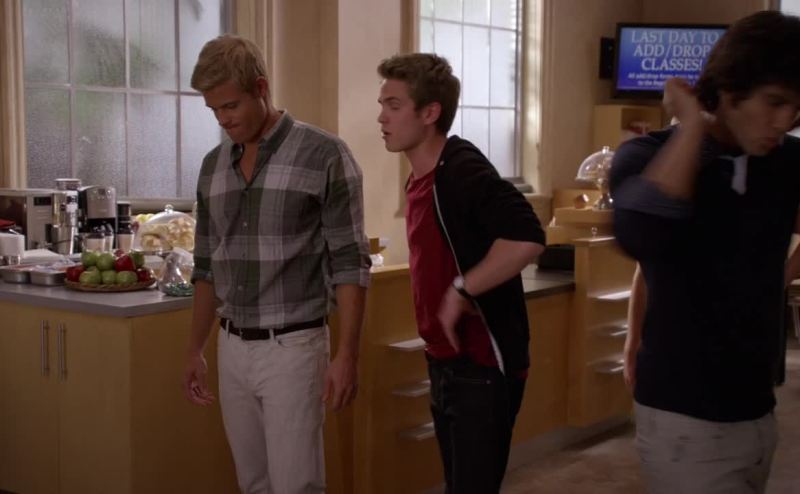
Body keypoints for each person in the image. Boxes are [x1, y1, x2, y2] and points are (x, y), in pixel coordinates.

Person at [610, 11, 800, 493]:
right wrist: (693, 124)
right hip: (684, 418)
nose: (786, 121)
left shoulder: (783, 162)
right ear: (730, 91)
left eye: (796, 108)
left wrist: (775, 277)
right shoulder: (645, 157)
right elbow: (641, 235)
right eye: (775, 102)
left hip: (758, 412)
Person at [182, 35, 370, 494]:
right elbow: (205, 266)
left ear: (261, 88)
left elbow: (350, 262)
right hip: (232, 347)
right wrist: (194, 349)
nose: (223, 120)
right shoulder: (212, 167)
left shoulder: (324, 154)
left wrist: (347, 354)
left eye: (231, 106)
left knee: (295, 485)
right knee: (253, 484)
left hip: (293, 347)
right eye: (214, 110)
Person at [376, 53, 545, 494]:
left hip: (481, 364)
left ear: (429, 112)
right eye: (382, 105)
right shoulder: (420, 178)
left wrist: (461, 290)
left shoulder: (460, 167)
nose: (382, 117)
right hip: (445, 361)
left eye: (394, 105)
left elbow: (528, 237)